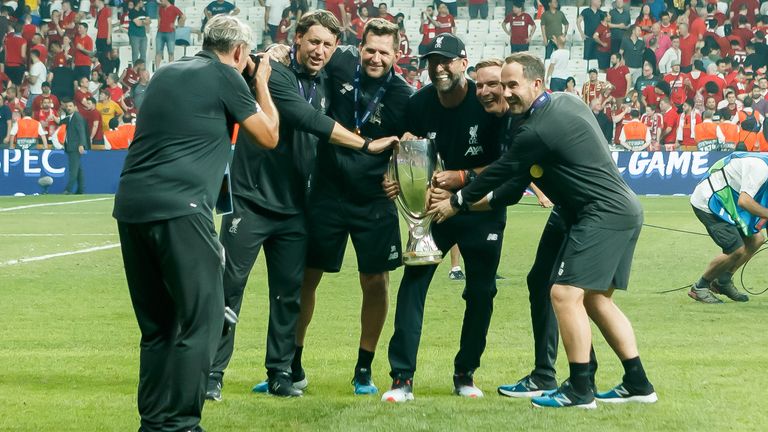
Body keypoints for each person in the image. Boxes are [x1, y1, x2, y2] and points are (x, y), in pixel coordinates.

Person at [430, 52, 657, 408]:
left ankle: (581, 388)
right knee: (583, 295)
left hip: (599, 213)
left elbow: (501, 171)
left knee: (565, 295)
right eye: (501, 85)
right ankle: (636, 382)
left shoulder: (538, 128)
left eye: (512, 85)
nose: (505, 93)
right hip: (589, 211)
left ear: (537, 83)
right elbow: (511, 184)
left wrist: (456, 202)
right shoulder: (562, 103)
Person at [207, 13, 399, 400]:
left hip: (297, 205)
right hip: (250, 200)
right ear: (296, 39)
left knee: (288, 294)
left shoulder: (330, 74)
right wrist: (364, 144)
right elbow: (306, 117)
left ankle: (280, 373)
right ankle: (211, 374)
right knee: (228, 289)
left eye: (328, 45)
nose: (320, 51)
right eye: (313, 42)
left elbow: (365, 59)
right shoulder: (273, 72)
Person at [112, 15, 280, 432]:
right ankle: (182, 425)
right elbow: (269, 135)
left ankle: (153, 424)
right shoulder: (228, 76)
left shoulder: (166, 72)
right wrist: (261, 83)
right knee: (202, 321)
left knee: (158, 327)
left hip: (131, 207)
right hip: (181, 209)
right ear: (239, 52)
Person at [381, 34, 506, 403]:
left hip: (482, 211)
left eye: (446, 60)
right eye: (432, 61)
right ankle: (401, 378)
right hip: (435, 210)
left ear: (463, 62)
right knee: (412, 286)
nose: (438, 68)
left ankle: (465, 374)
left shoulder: (486, 102)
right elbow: (405, 151)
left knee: (481, 292)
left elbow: (505, 164)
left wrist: (462, 179)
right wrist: (394, 177)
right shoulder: (419, 104)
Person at [293, 18, 410, 396]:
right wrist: (278, 51)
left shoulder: (404, 96)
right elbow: (307, 53)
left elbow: (410, 147)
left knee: (375, 282)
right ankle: (291, 364)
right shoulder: (339, 63)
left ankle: (364, 368)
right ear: (359, 48)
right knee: (305, 278)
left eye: (384, 52)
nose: (376, 58)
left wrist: (400, 175)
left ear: (397, 54)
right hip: (326, 192)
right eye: (370, 50)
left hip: (373, 198)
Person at [689, 152, 766, 304]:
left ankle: (722, 281)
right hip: (709, 202)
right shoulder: (760, 168)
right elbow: (745, 201)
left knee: (757, 239)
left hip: (727, 203)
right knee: (736, 249)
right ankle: (700, 287)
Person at [61, 98, 87, 194]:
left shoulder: (77, 117)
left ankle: (68, 189)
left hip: (75, 147)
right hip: (72, 147)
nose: (68, 108)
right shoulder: (71, 117)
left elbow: (81, 132)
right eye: (67, 106)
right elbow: (62, 122)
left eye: (70, 106)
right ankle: (81, 190)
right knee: (78, 169)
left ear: (75, 107)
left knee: (73, 170)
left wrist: (81, 144)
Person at [154, 0, 185, 70]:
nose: (160, 3)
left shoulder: (174, 8)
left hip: (170, 33)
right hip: (160, 32)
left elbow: (183, 16)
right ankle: (157, 70)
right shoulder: (160, 8)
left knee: (171, 52)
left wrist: (177, 25)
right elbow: (159, 17)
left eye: (161, 1)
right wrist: (158, 25)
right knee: (158, 52)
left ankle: (170, 69)